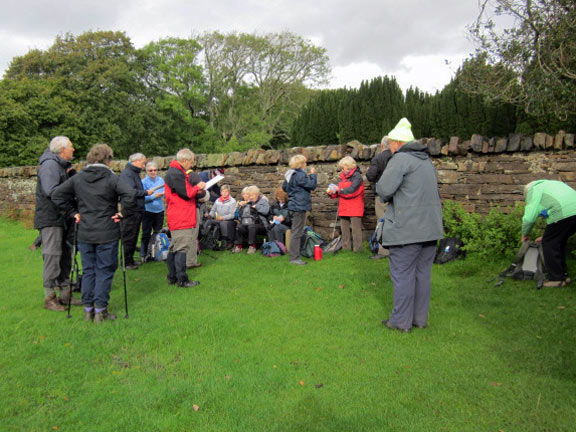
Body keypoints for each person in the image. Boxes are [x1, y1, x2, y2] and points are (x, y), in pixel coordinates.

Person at [52, 144, 137, 322]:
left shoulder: (79, 177)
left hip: (85, 232)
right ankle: (100, 311)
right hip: (107, 231)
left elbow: (57, 195)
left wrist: (73, 213)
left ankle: (88, 310)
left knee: (89, 270)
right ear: (108, 159)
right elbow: (130, 194)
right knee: (104, 270)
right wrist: (123, 213)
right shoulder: (111, 178)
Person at [376, 118, 443, 333]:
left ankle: (400, 321)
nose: (389, 149)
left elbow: (384, 190)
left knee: (403, 275)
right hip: (430, 228)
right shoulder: (425, 161)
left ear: (396, 142)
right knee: (422, 274)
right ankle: (418, 319)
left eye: (390, 145)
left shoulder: (400, 160)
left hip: (407, 229)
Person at [34, 136, 82, 311]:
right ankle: (50, 298)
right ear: (62, 150)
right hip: (51, 218)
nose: (73, 149)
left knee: (66, 256)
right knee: (52, 256)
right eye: (70, 146)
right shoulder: (50, 166)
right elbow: (52, 192)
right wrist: (71, 208)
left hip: (62, 217)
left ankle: (66, 295)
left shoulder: (61, 166)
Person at [521, 180, 576, 287]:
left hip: (563, 213)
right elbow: (558, 229)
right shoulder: (553, 184)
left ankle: (556, 279)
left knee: (549, 244)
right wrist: (546, 236)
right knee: (559, 242)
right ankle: (564, 276)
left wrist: (525, 234)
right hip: (572, 211)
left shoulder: (534, 190)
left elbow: (530, 218)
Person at [164, 149, 206, 287]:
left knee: (174, 248)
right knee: (181, 248)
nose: (192, 165)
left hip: (178, 215)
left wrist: (197, 191)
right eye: (191, 161)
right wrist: (198, 187)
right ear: (184, 160)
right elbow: (186, 193)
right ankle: (182, 279)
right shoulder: (176, 173)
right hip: (181, 216)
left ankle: (172, 277)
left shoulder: (175, 172)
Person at [119, 153, 155, 269]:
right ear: (136, 161)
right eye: (143, 162)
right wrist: (145, 193)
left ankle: (130, 260)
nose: (144, 165)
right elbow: (130, 192)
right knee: (129, 236)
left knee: (133, 235)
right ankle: (126, 262)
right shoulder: (127, 174)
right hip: (131, 210)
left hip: (136, 209)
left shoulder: (133, 173)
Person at [282, 155, 317, 265]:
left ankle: (296, 255)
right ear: (301, 164)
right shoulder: (300, 174)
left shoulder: (289, 174)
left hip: (293, 204)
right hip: (299, 205)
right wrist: (313, 175)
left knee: (296, 231)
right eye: (305, 163)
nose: (306, 165)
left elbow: (284, 187)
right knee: (297, 232)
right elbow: (312, 185)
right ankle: (294, 258)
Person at [327, 156, 365, 252]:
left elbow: (352, 192)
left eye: (343, 167)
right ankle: (346, 249)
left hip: (355, 207)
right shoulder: (342, 177)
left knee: (356, 231)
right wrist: (332, 193)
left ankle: (358, 250)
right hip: (344, 207)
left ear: (348, 166)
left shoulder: (358, 177)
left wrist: (338, 190)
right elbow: (340, 192)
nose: (342, 170)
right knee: (344, 231)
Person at [366, 136, 393, 259]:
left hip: (382, 195)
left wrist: (368, 171)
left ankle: (383, 251)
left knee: (382, 221)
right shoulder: (397, 157)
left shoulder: (378, 158)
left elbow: (371, 176)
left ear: (382, 146)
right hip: (397, 194)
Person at [232, 185, 270, 254]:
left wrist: (257, 207)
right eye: (250, 195)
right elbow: (240, 216)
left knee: (252, 226)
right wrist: (240, 207)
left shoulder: (263, 201)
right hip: (247, 223)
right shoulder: (247, 202)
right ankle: (239, 246)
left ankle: (252, 246)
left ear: (257, 194)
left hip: (261, 224)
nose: (251, 197)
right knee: (239, 226)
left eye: (252, 195)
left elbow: (266, 211)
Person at [140, 161, 165, 261]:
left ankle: (156, 253)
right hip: (148, 210)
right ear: (147, 171)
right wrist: (154, 196)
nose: (153, 172)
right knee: (146, 233)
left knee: (158, 233)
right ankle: (143, 254)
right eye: (151, 170)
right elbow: (142, 198)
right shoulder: (143, 182)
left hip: (159, 210)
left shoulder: (161, 180)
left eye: (155, 170)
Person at [185, 164, 207, 269]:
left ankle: (180, 260)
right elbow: (200, 194)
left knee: (182, 236)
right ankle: (190, 261)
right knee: (193, 235)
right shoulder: (193, 175)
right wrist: (203, 192)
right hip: (192, 208)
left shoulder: (175, 175)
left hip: (179, 210)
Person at [205, 184, 236, 249]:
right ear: (220, 192)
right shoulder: (217, 200)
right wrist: (210, 215)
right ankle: (204, 237)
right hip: (218, 219)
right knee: (208, 221)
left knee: (223, 223)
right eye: (223, 191)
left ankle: (224, 241)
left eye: (226, 191)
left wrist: (223, 217)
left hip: (228, 220)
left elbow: (232, 215)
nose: (224, 193)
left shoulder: (232, 201)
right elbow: (213, 210)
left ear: (229, 192)